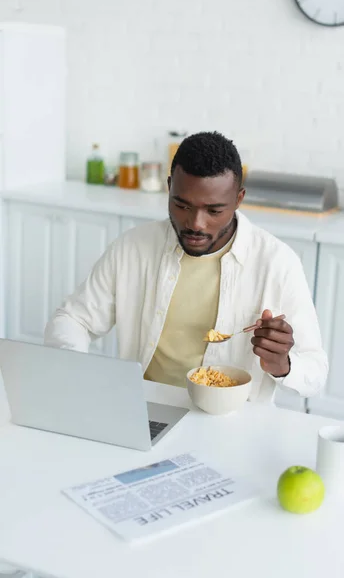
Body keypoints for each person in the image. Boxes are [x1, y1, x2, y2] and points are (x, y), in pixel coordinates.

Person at [44, 131, 328, 402]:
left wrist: (282, 364)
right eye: (182, 205)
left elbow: (315, 374)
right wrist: (76, 372)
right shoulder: (133, 248)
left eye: (214, 211)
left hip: (232, 422)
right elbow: (73, 319)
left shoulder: (277, 263)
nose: (195, 223)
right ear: (169, 188)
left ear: (238, 200)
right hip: (144, 406)